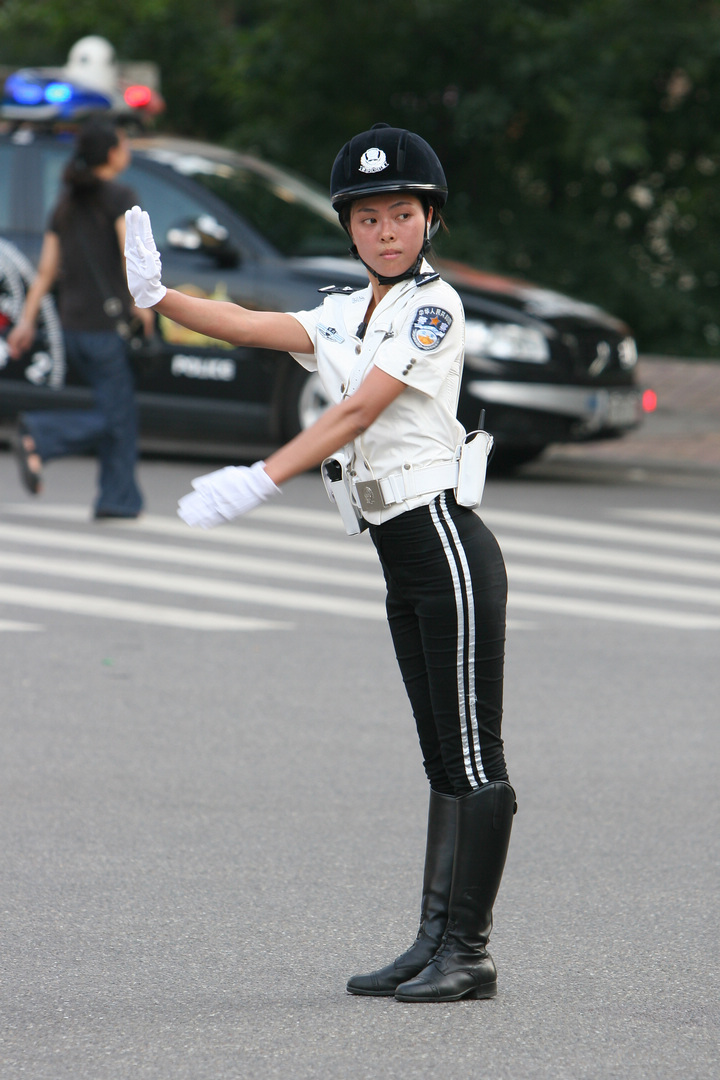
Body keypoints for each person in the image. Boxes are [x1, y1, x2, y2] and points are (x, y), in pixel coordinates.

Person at [124, 122, 516, 1003]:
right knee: (439, 755)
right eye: (370, 216)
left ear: (430, 221)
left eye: (403, 213)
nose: (387, 230)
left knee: (473, 754)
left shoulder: (431, 306)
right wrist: (160, 296)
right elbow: (249, 323)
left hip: (444, 543)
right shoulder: (345, 308)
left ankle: (471, 951)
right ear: (348, 226)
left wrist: (262, 477)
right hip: (399, 553)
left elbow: (358, 413)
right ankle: (432, 938)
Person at [8, 118, 150, 519]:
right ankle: (42, 434)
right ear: (109, 153)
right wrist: (143, 305)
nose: (128, 150)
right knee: (116, 417)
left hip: (72, 326)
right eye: (123, 144)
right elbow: (130, 257)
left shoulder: (65, 205)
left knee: (119, 414)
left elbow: (46, 272)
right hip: (107, 328)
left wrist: (26, 321)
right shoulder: (120, 196)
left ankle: (117, 500)